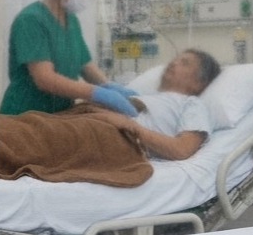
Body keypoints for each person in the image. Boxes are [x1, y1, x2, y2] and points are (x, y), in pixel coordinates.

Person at [0, 0, 138, 117]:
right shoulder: (31, 20)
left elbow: (85, 65)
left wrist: (109, 86)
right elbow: (45, 79)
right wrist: (96, 93)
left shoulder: (71, 20)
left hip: (58, 114)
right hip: (24, 115)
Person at [88, 48, 220, 161]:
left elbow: (182, 149)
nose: (173, 63)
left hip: (109, 138)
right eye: (175, 60)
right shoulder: (145, 96)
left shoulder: (192, 104)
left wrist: (126, 124)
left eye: (184, 63)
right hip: (92, 123)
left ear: (198, 83)